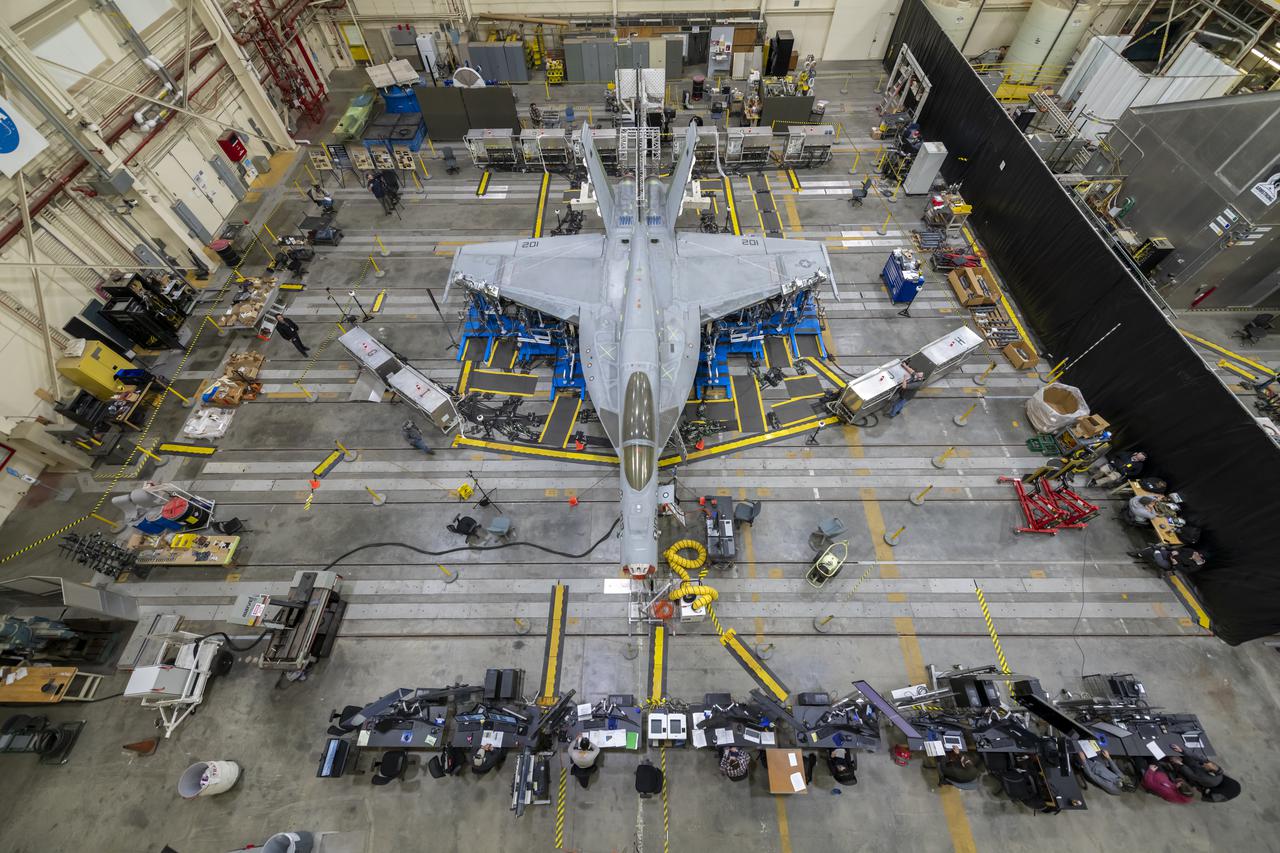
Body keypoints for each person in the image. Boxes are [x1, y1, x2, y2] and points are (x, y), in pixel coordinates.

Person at [1132, 545, 1206, 573]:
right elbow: (1181, 549)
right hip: (1169, 554)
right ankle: (1139, 554)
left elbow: (1185, 570)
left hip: (1171, 564)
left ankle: (1155, 551)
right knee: (1156, 549)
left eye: (1197, 556)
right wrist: (1176, 551)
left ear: (1200, 559)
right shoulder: (1192, 551)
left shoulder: (1197, 566)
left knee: (1157, 555)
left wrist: (1176, 564)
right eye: (1196, 554)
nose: (1195, 554)